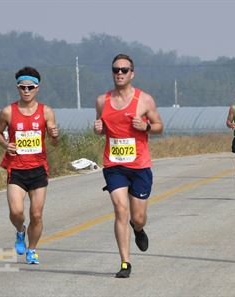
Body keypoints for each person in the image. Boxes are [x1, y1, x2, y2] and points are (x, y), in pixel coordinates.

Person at [94, 53, 163, 278]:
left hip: (140, 165)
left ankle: (139, 228)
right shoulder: (102, 101)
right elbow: (104, 127)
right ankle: (125, 263)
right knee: (120, 209)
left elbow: (159, 126)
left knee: (138, 216)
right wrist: (99, 129)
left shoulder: (144, 100)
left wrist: (145, 127)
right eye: (116, 70)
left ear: (132, 73)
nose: (120, 73)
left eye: (124, 70)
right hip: (114, 165)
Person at [0, 67, 59, 265]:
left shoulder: (46, 111)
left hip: (38, 169)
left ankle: (32, 249)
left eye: (30, 87)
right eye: (23, 87)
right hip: (16, 168)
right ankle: (20, 231)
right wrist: (6, 144)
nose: (26, 90)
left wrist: (55, 136)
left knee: (36, 214)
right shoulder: (8, 111)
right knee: (16, 212)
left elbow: (54, 142)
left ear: (37, 88)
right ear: (18, 88)